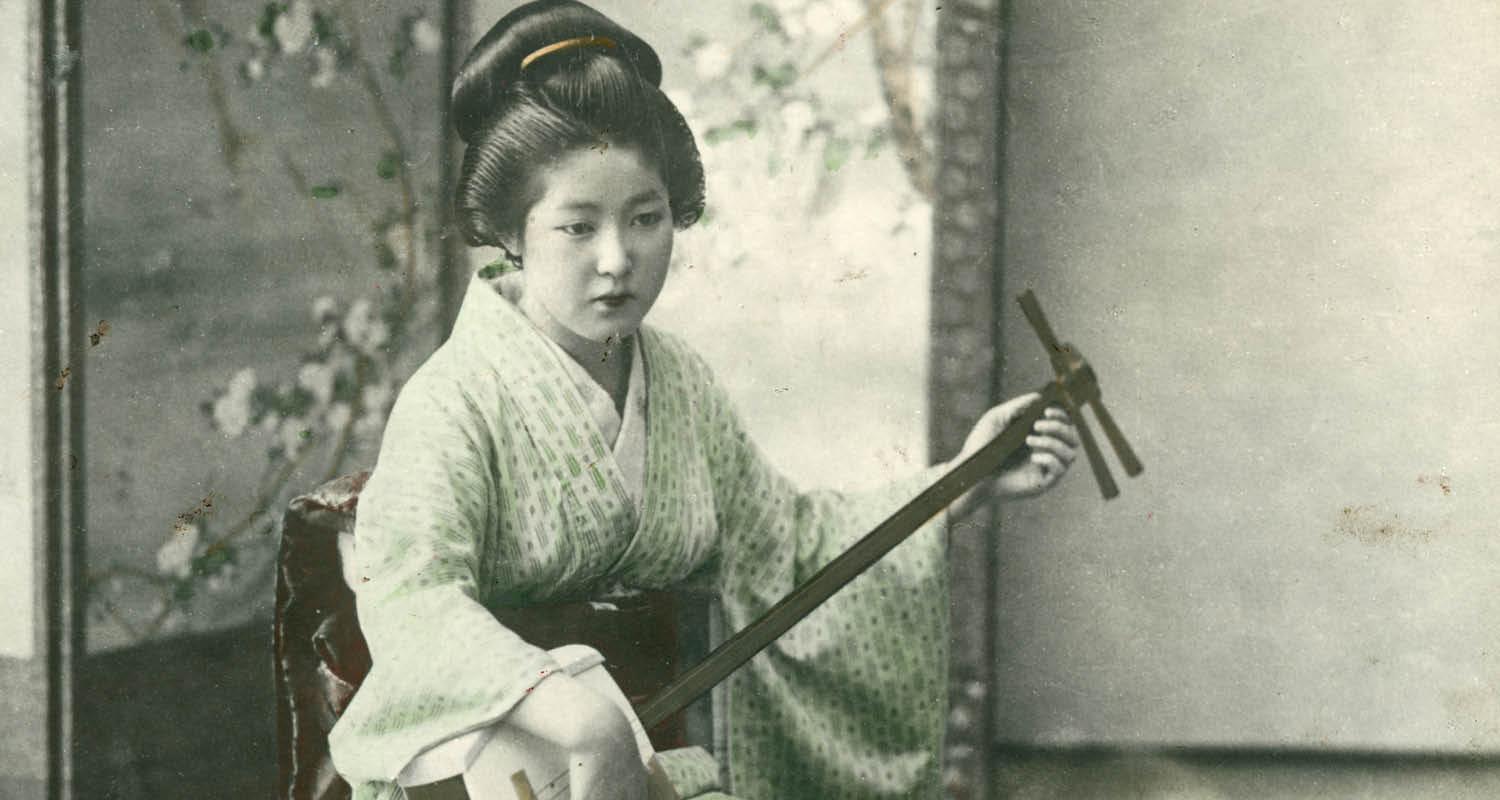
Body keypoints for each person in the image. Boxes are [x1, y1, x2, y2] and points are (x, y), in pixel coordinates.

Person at [326, 2, 1079, 798]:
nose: (618, 258)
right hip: (490, 771)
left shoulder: (679, 381)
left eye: (646, 218)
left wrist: (963, 480)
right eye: (578, 228)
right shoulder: (455, 400)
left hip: (649, 764)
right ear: (514, 230)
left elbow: (785, 545)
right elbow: (412, 602)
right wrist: (576, 716)